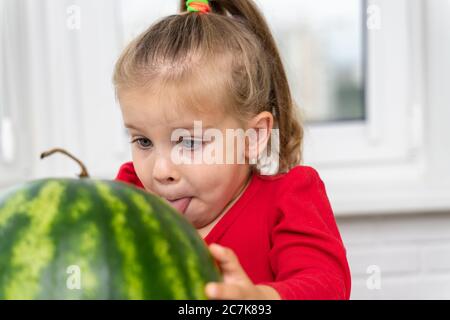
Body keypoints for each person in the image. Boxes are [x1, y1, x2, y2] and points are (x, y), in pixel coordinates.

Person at [114, 0, 351, 300]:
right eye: (143, 141)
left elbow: (328, 287)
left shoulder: (287, 200)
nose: (161, 171)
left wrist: (259, 299)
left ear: (251, 138)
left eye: (188, 142)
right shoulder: (130, 197)